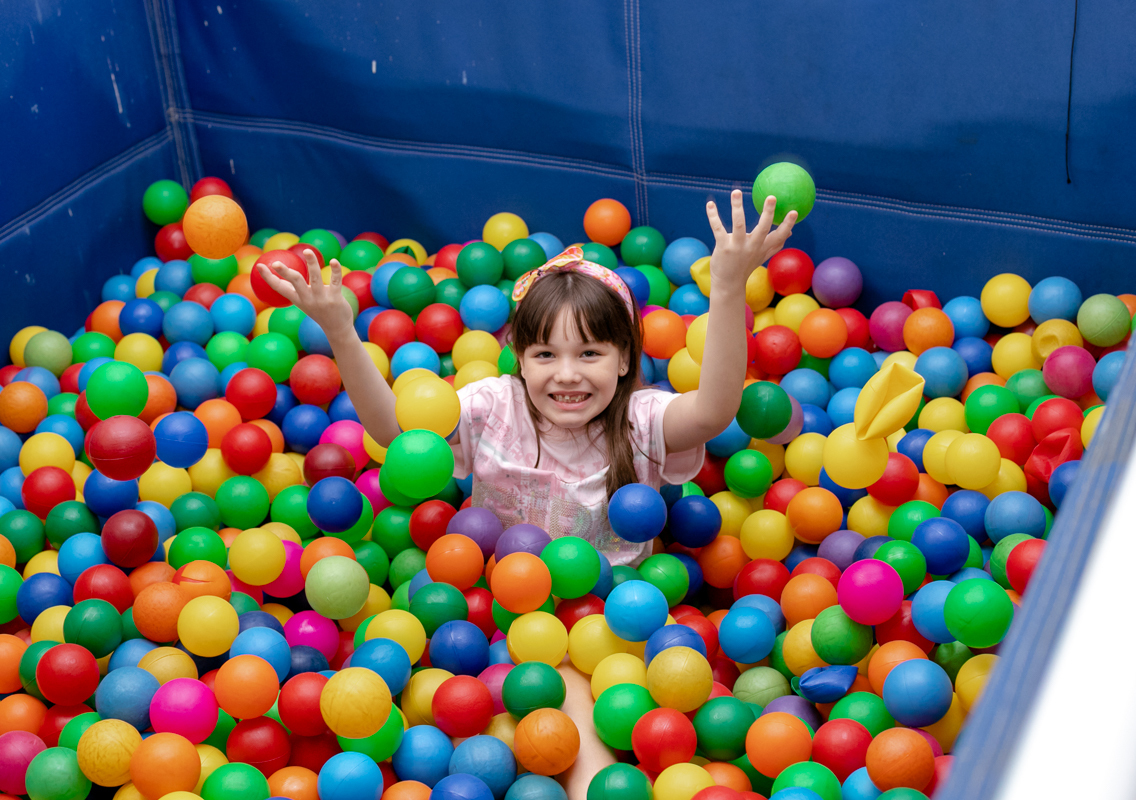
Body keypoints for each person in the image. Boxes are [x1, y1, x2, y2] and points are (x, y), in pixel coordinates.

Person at [257, 189, 796, 798]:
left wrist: (726, 289)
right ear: (518, 357)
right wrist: (341, 332)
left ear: (624, 359)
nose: (567, 374)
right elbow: (393, 433)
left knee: (571, 687)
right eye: (546, 354)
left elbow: (715, 408)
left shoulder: (641, 419)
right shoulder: (491, 407)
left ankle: (590, 779)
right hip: (486, 599)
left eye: (590, 353)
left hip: (608, 608)